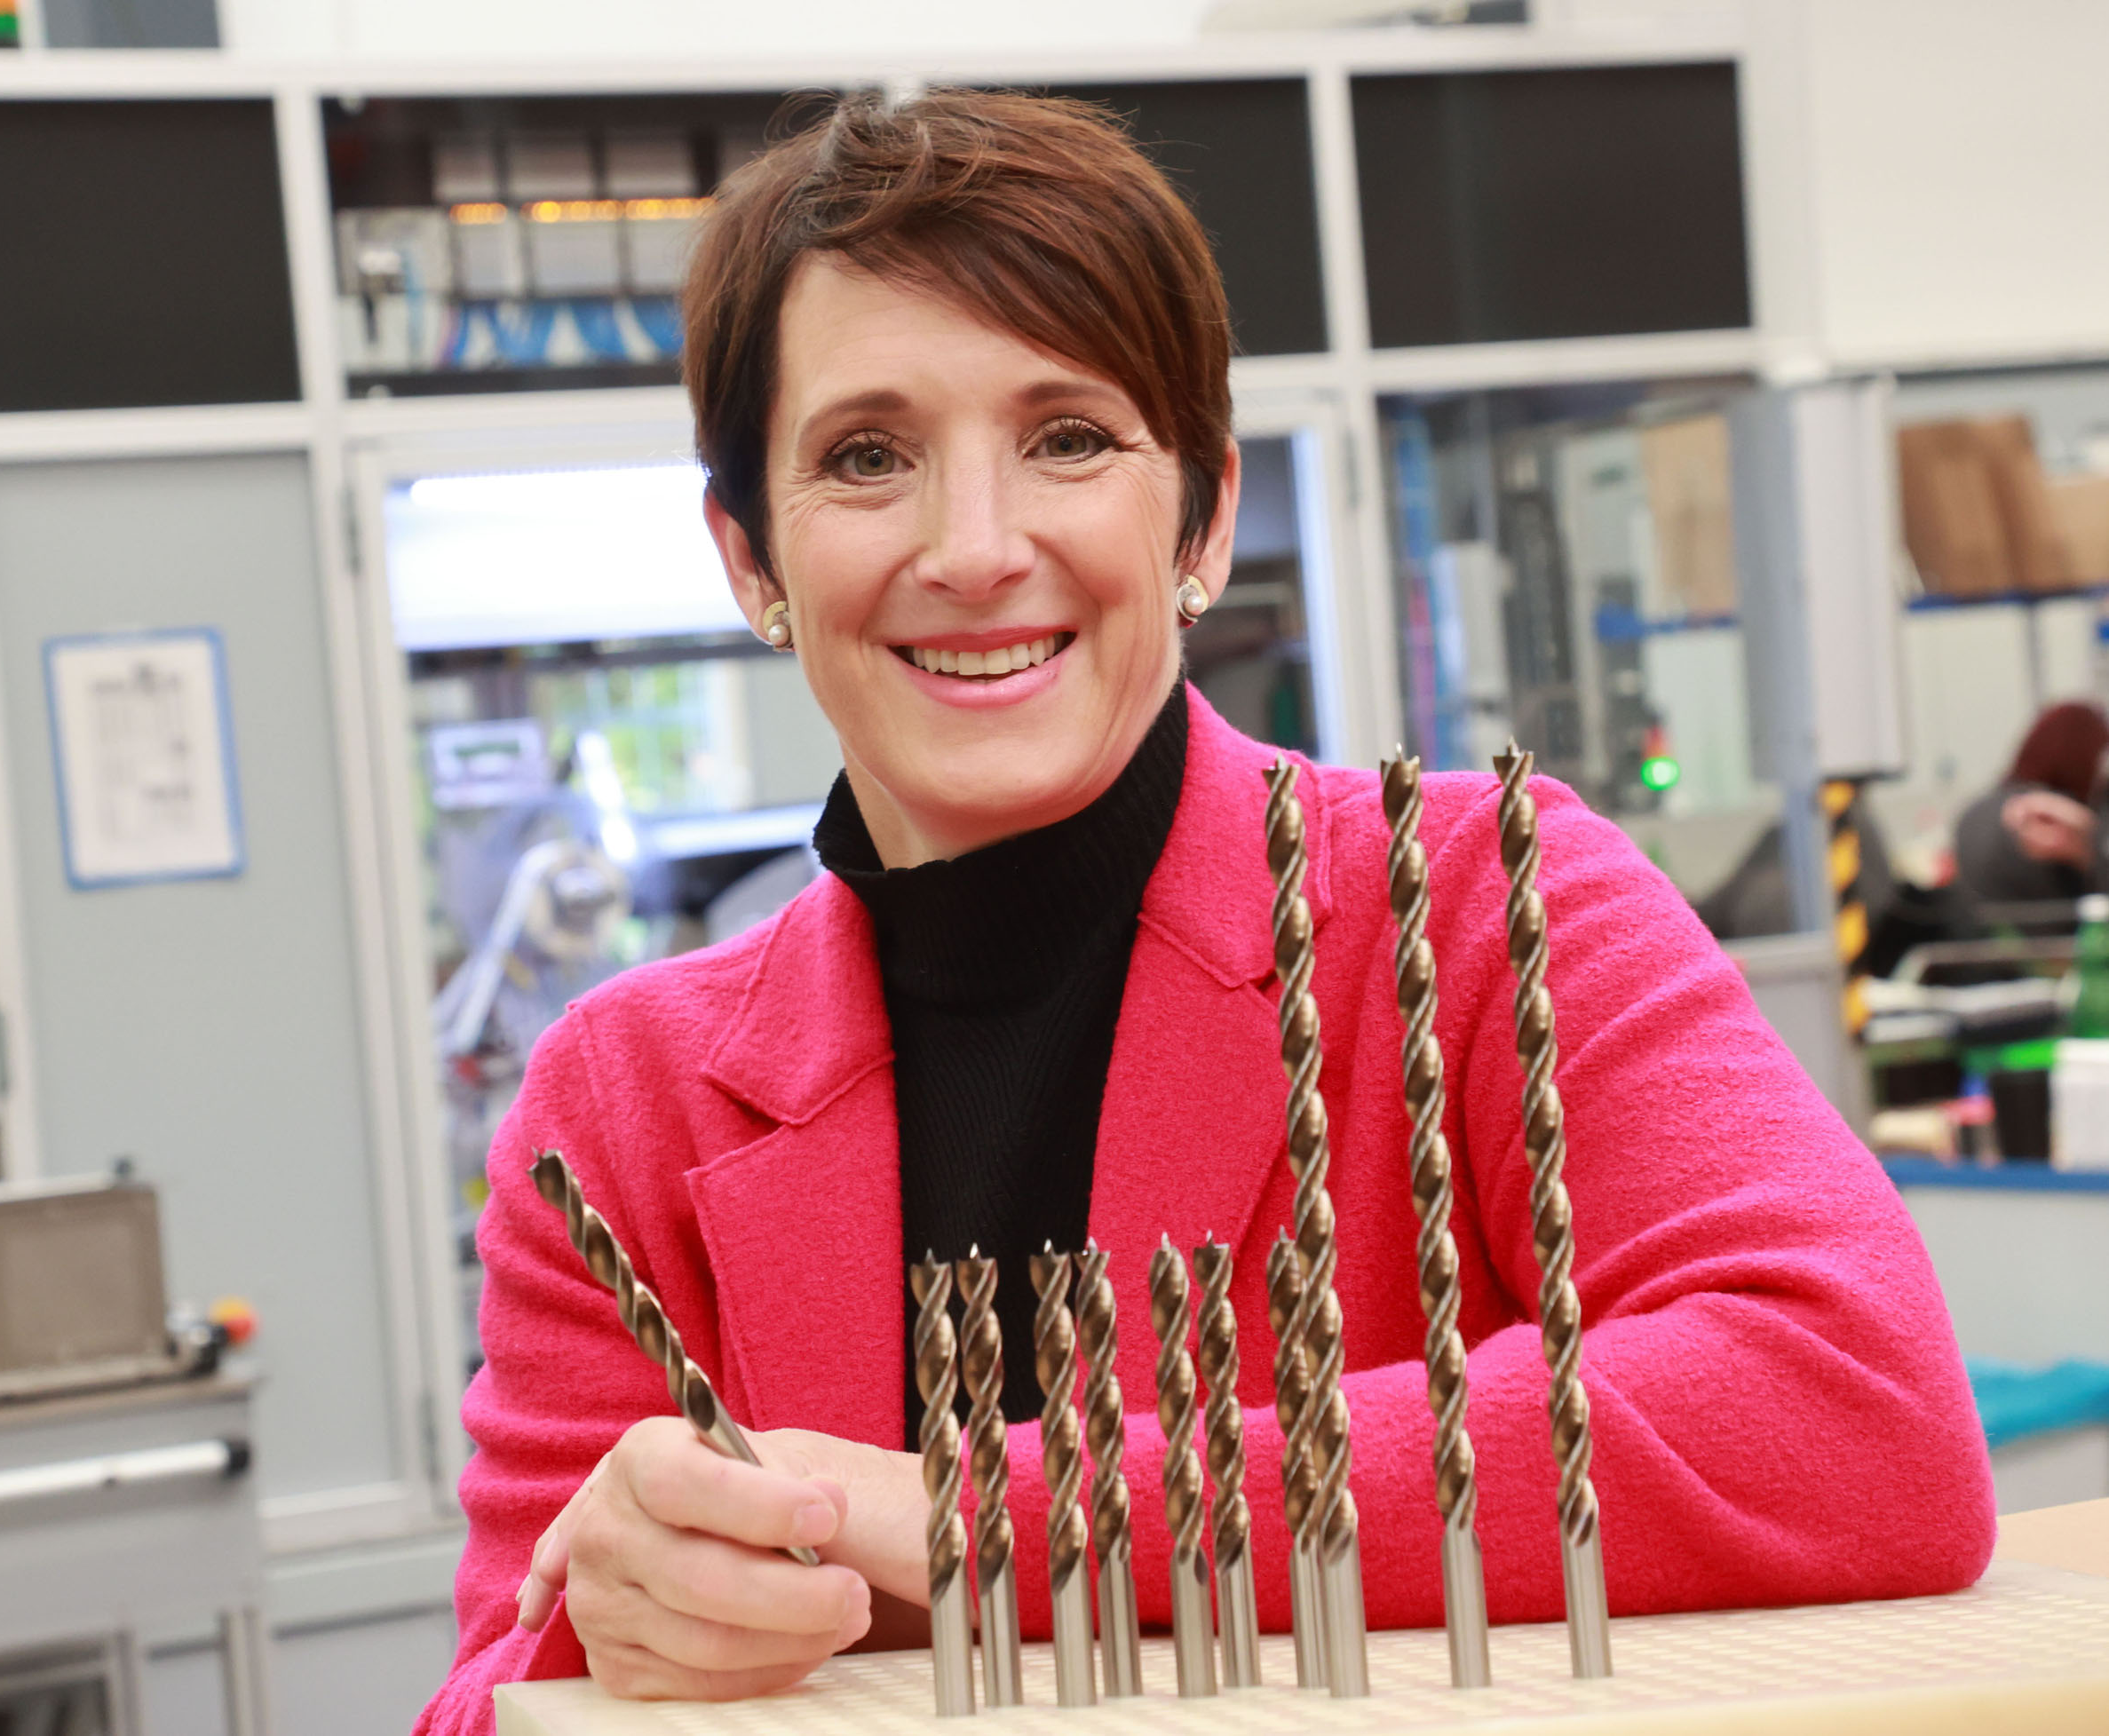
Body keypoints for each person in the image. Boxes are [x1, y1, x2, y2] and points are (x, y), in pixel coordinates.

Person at [414, 92, 1991, 1736]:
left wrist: (973, 1513)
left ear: (1204, 517)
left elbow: (1852, 1415)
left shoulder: (1477, 902)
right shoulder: (623, 1106)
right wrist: (599, 1636)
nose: (975, 549)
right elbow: (479, 1703)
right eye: (866, 457)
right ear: (750, 557)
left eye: (1067, 438)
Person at [1952, 701, 2109, 913]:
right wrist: (2089, 849)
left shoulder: (1976, 811)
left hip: (1990, 931)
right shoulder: (2052, 815)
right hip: (2052, 929)